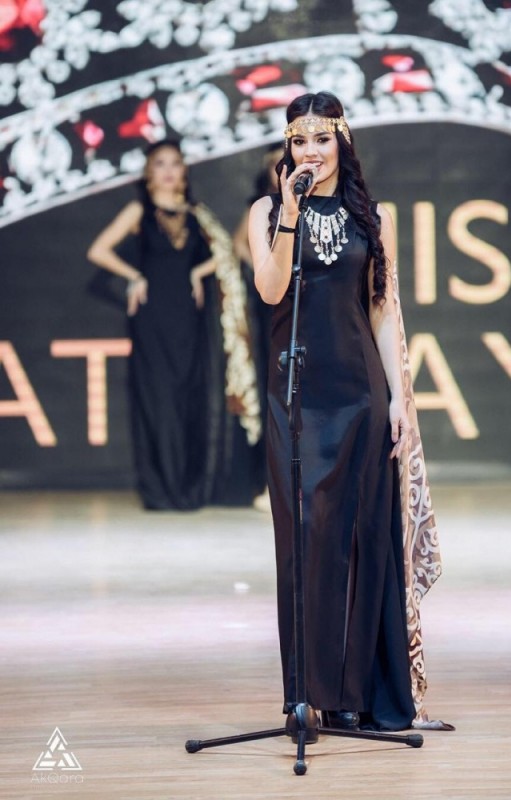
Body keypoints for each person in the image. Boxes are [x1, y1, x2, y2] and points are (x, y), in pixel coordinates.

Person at [248, 92, 446, 731]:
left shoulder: (373, 216)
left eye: (322, 140)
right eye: (299, 141)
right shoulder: (267, 212)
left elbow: (382, 309)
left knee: (361, 538)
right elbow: (271, 290)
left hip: (359, 389)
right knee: (305, 537)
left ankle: (358, 693)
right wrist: (289, 214)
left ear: (343, 142)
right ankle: (306, 693)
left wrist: (398, 398)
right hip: (296, 392)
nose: (310, 152)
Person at [87, 139, 261, 510]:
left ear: (184, 170)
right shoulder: (139, 210)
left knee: (188, 397)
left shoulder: (197, 214)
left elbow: (226, 253)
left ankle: (187, 487)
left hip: (189, 317)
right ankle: (160, 488)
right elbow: (98, 250)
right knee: (158, 399)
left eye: (175, 163)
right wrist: (134, 276)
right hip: (153, 318)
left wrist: (198, 272)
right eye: (160, 163)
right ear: (149, 172)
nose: (168, 171)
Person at [233, 143, 284, 512]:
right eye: (274, 164)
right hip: (274, 306)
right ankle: (273, 483)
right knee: (278, 389)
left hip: (312, 303)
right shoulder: (263, 207)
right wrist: (264, 272)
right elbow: (237, 243)